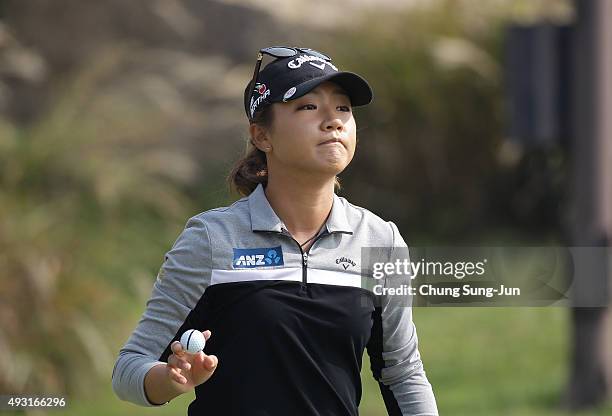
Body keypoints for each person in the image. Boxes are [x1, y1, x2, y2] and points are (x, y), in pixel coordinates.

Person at [112, 45, 439, 415]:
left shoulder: (381, 241)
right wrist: (170, 379)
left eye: (343, 108)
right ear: (262, 136)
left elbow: (403, 373)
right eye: (308, 107)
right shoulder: (211, 239)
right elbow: (128, 368)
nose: (333, 121)